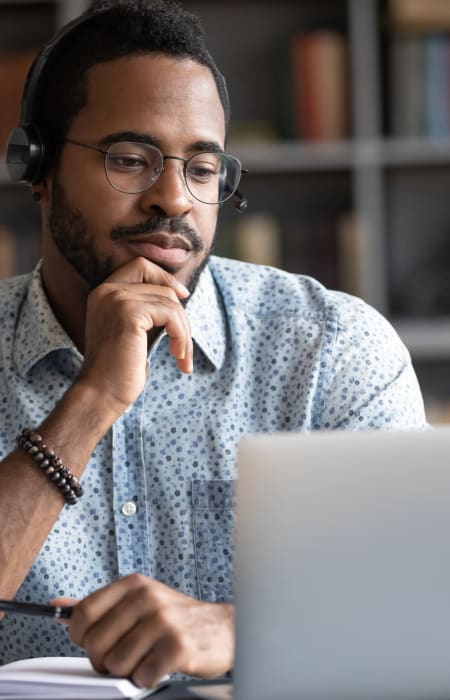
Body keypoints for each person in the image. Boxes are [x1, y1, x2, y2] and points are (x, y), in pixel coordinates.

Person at [0, 0, 426, 687]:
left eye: (201, 170)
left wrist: (242, 627)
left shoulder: (331, 351)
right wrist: (92, 400)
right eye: (131, 159)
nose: (173, 198)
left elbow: (422, 614)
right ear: (38, 168)